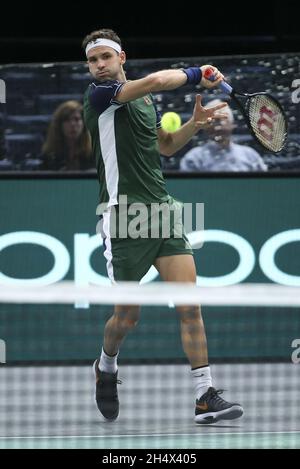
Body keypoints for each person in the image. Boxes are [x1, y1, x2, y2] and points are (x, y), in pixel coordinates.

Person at [82, 28, 244, 424]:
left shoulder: (145, 101)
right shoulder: (99, 96)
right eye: (92, 59)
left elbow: (165, 147)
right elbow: (155, 79)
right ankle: (106, 366)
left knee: (190, 306)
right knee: (127, 318)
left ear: (122, 57)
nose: (99, 65)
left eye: (106, 57)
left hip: (164, 212)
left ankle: (205, 395)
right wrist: (198, 72)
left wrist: (195, 126)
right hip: (124, 218)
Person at [180, 98, 268, 171]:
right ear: (206, 127)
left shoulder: (250, 156)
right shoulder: (194, 158)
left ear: (232, 125)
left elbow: (264, 186)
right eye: (214, 121)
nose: (219, 125)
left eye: (224, 119)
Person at [40, 100, 93, 171]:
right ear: (59, 125)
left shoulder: (94, 154)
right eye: (67, 120)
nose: (72, 124)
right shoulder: (49, 157)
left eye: (77, 119)